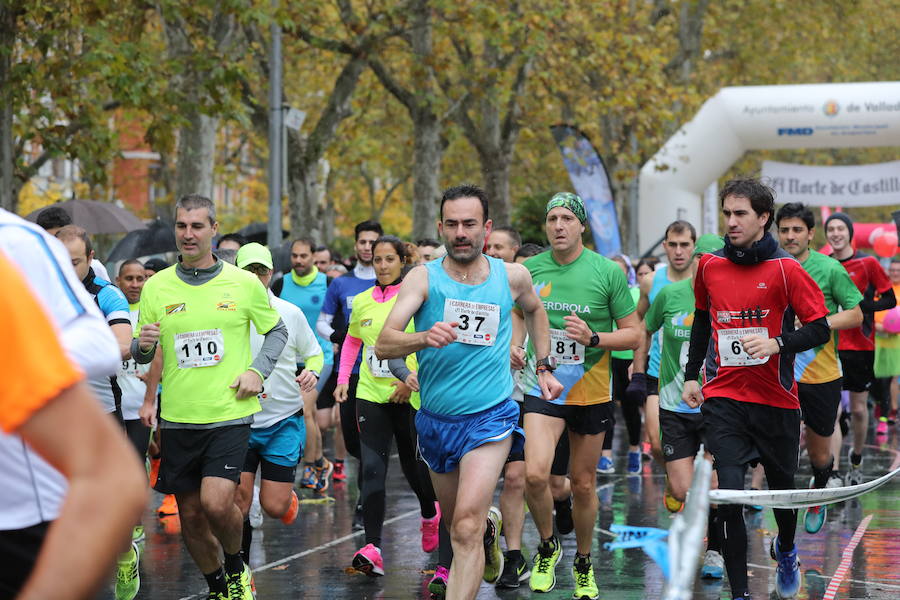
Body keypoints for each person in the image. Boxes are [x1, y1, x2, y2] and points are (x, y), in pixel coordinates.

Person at [375, 184, 563, 600]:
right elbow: (384, 343)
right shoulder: (423, 278)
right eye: (453, 224)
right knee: (457, 523)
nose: (461, 232)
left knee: (464, 527)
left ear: (486, 227)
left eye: (470, 224)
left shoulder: (512, 276)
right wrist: (423, 337)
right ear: (441, 227)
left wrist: (543, 364)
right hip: (436, 421)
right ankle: (487, 533)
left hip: (489, 417)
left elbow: (536, 310)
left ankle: (478, 540)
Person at [683, 178, 831, 600]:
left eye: (740, 214)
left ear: (764, 218)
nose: (731, 222)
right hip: (725, 398)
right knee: (728, 496)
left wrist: (776, 343)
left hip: (776, 401)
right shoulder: (709, 265)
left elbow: (819, 327)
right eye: (727, 213)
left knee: (781, 496)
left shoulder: (786, 269)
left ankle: (786, 548)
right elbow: (699, 320)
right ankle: (741, 593)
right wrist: (692, 373)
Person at [134, 194, 287, 600]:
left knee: (216, 503)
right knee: (191, 517)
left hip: (229, 413)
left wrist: (257, 371)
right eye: (182, 226)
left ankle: (237, 567)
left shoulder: (242, 283)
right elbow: (142, 351)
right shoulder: (156, 287)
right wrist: (142, 345)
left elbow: (277, 332)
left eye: (197, 226)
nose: (188, 234)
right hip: (180, 417)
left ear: (213, 230)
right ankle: (218, 586)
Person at [0, 251, 147, 600]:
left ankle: (125, 552)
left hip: (114, 406)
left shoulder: (100, 294)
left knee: (112, 486)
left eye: (74, 260)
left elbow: (119, 348)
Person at [517, 192, 641, 598]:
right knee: (535, 474)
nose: (557, 226)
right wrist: (518, 344)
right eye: (552, 218)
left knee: (583, 484)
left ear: (582, 226)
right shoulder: (530, 268)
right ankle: (548, 545)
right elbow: (518, 313)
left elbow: (633, 332)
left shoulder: (606, 272)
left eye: (566, 218)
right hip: (544, 385)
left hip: (590, 389)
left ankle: (583, 562)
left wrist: (594, 337)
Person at [334, 235, 439, 576]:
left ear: (401, 261)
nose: (382, 266)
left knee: (413, 466)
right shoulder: (362, 301)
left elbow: (428, 343)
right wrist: (342, 380)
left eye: (389, 259)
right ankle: (373, 547)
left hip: (409, 395)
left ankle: (428, 512)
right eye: (377, 260)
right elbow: (353, 341)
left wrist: (408, 380)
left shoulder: (416, 297)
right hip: (370, 394)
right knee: (372, 470)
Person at [232, 243, 323, 563]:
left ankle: (285, 499)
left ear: (271, 273)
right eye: (248, 270)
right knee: (239, 501)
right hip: (239, 418)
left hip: (282, 418)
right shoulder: (226, 312)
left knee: (274, 506)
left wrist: (312, 370)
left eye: (262, 270)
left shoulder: (289, 312)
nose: (256, 277)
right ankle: (240, 574)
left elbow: (313, 352)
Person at [776, 203, 863, 534]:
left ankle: (821, 486)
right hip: (778, 374)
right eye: (784, 230)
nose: (790, 236)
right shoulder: (770, 267)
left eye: (797, 230)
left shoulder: (829, 269)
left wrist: (818, 323)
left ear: (811, 234)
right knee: (778, 449)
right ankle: (774, 514)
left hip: (821, 374)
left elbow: (856, 314)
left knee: (819, 452)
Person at [644, 234, 726, 578]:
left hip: (718, 406)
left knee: (716, 487)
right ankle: (693, 515)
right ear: (695, 261)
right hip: (675, 404)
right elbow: (645, 328)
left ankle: (714, 550)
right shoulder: (669, 294)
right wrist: (640, 374)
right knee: (681, 488)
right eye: (703, 259)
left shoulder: (729, 298)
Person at [318, 220, 382, 526]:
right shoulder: (341, 284)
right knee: (353, 438)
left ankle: (365, 503)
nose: (368, 247)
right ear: (355, 245)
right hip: (351, 369)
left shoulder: (393, 282)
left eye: (373, 242)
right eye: (363, 241)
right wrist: (339, 336)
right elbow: (323, 322)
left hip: (383, 374)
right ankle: (368, 487)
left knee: (373, 442)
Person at [825, 211, 896, 484]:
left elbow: (889, 301)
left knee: (856, 409)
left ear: (850, 233)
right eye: (831, 229)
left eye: (840, 228)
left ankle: (856, 457)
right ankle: (831, 472)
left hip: (861, 345)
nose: (835, 233)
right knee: (833, 410)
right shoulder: (823, 263)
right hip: (829, 343)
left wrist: (859, 308)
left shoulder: (868, 263)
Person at [274, 237, 338, 491]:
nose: (299, 261)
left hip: (319, 357)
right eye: (295, 256)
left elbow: (339, 317)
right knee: (302, 412)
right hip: (288, 359)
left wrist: (336, 338)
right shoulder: (281, 283)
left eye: (304, 256)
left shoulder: (327, 283)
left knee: (305, 409)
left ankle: (311, 467)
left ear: (314, 256)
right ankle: (322, 462)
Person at [632, 221, 697, 468]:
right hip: (659, 372)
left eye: (684, 245)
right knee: (657, 443)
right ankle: (674, 477)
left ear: (694, 247)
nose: (678, 251)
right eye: (673, 245)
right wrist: (637, 362)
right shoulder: (651, 281)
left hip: (697, 376)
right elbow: (640, 320)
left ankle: (688, 483)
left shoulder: (703, 281)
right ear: (664, 246)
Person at [598, 254, 643, 475]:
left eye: (620, 269)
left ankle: (635, 449)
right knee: (606, 407)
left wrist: (638, 360)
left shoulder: (635, 293)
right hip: (608, 357)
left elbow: (641, 328)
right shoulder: (601, 292)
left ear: (627, 272)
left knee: (630, 408)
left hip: (629, 358)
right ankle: (605, 455)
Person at [35, 205, 111, 281]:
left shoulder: (95, 268)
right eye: (48, 241)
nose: (55, 246)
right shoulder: (32, 268)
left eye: (60, 240)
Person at [873, 258, 900, 433]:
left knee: (890, 377)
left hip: (895, 341)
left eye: (898, 271)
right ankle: (882, 405)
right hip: (876, 338)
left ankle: (890, 411)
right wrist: (877, 326)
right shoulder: (881, 289)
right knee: (876, 377)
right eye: (893, 270)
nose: (895, 273)